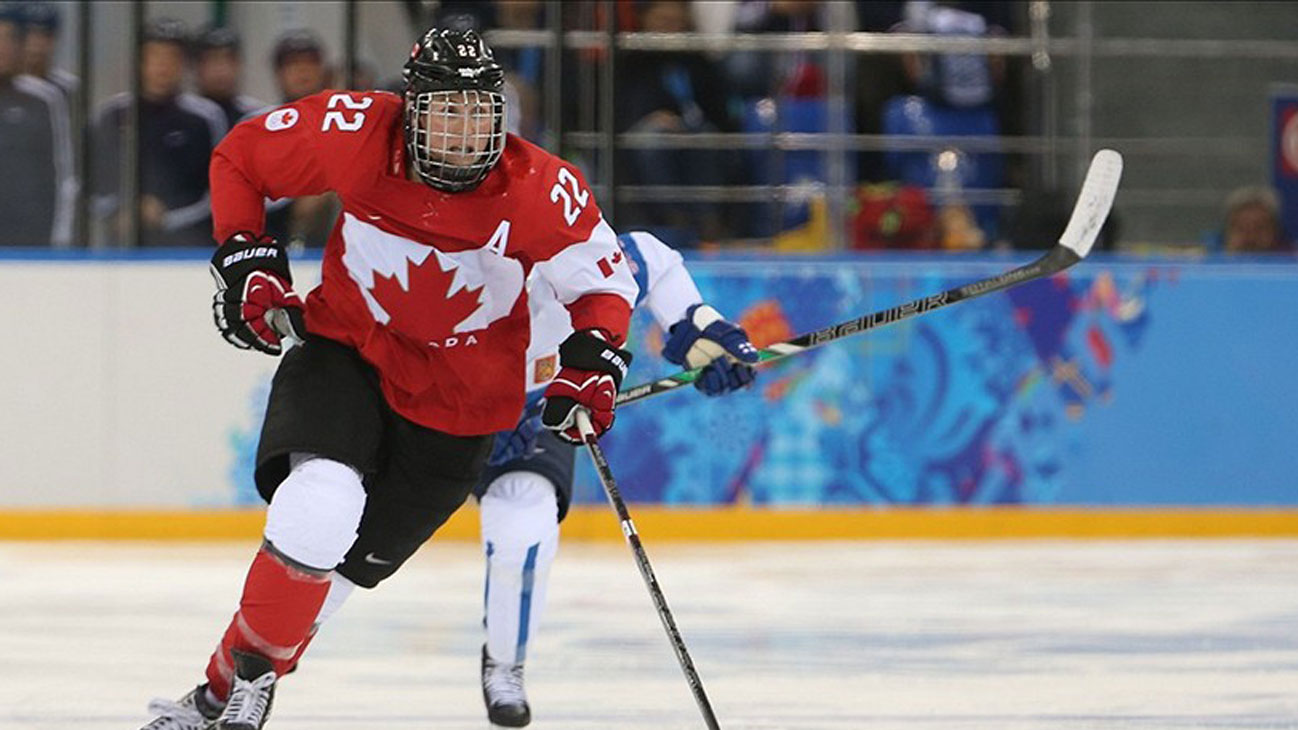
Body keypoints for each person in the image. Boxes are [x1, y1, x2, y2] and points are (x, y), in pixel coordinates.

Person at [136, 27, 640, 730]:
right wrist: (246, 253)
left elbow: (605, 283)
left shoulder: (537, 186)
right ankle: (229, 692)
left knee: (335, 580)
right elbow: (242, 158)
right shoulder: (356, 130)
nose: (465, 133)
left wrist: (594, 362)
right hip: (349, 350)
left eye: (479, 112)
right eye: (447, 111)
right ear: (411, 110)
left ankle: (222, 687)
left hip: (462, 406)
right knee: (319, 506)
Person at [309, 229, 760, 727]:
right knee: (346, 545)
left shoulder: (574, 247)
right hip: (427, 417)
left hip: (532, 414)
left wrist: (699, 328)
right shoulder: (445, 252)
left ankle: (505, 663)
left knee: (525, 527)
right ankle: (261, 656)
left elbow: (652, 261)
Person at [92, 17, 226, 247]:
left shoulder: (206, 118)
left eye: (172, 57)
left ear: (184, 64)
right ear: (138, 62)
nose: (163, 67)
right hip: (119, 249)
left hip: (189, 248)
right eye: (154, 56)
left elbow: (221, 190)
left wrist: (166, 217)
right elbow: (89, 183)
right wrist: (118, 211)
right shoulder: (110, 115)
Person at [0, 1, 73, 246]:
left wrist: (60, 239)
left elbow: (64, 174)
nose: (3, 47)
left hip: (31, 241)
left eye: (10, 38)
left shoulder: (45, 99)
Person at [265, 27, 335, 248]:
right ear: (278, 73)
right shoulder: (259, 126)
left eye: (310, 63)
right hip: (272, 229)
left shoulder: (342, 122)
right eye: (293, 64)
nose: (303, 71)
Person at [194, 25, 266, 132]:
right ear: (198, 66)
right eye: (213, 60)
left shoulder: (256, 116)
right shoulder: (184, 116)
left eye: (229, 60)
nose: (221, 68)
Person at [1222, 185, 1289, 253]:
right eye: (1241, 229)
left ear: (1275, 234)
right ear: (1227, 234)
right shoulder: (1212, 256)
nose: (1251, 238)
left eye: (1259, 228)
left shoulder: (1292, 260)